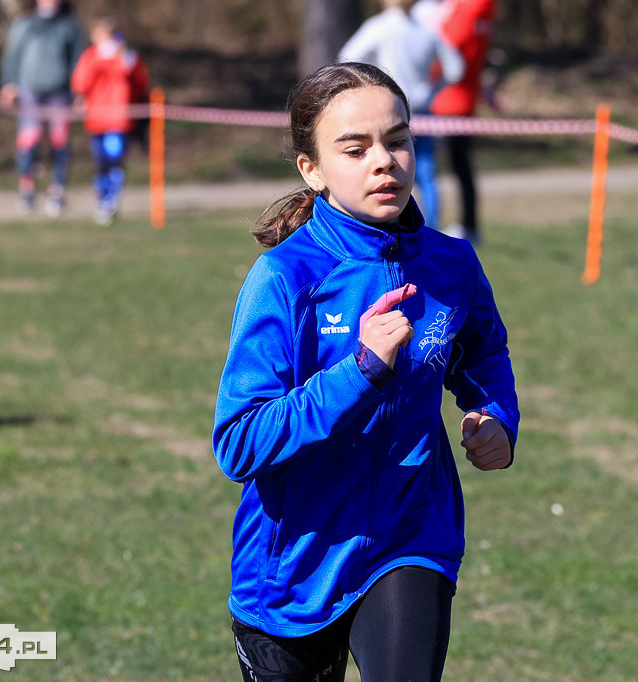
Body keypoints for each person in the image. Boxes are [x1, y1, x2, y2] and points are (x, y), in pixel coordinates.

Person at [212, 62, 518, 682]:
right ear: (312, 169)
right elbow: (238, 443)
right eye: (355, 148)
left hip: (412, 536)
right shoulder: (286, 278)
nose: (384, 161)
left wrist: (498, 419)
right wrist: (361, 370)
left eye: (397, 139)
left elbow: (482, 355)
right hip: (293, 566)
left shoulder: (451, 265)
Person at [339, 0, 464, 230]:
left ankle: (389, 224)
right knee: (425, 172)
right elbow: (456, 67)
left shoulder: (378, 27)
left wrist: (369, 87)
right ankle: (428, 229)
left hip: (387, 113)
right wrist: (432, 91)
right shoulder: (427, 31)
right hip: (423, 110)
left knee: (384, 168)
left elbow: (347, 58)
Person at [0, 0, 84, 217]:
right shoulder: (24, 23)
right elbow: (12, 56)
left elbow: (77, 60)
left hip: (60, 92)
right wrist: (8, 85)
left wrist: (78, 93)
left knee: (60, 142)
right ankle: (26, 191)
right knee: (29, 140)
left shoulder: (70, 24)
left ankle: (57, 192)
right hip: (30, 91)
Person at [423, 0, 496, 245]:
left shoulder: (465, 12)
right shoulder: (481, 13)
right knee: (459, 166)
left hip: (446, 100)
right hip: (463, 99)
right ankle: (469, 224)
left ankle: (462, 225)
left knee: (430, 167)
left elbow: (448, 52)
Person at [71, 17, 150, 226]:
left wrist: (122, 58)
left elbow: (140, 84)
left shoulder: (128, 57)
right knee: (101, 163)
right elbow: (80, 83)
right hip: (96, 119)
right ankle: (102, 200)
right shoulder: (90, 57)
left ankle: (112, 201)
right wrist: (98, 60)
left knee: (115, 159)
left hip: (119, 118)